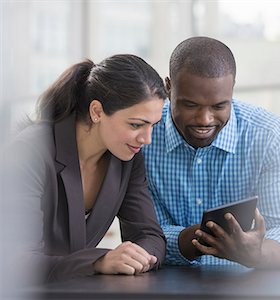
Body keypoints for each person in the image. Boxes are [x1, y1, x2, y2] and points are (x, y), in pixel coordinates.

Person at [1, 54, 167, 283]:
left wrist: (138, 257)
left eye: (152, 125)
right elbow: (15, 262)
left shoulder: (127, 157)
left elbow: (150, 236)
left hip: (72, 289)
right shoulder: (29, 153)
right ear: (97, 111)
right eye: (136, 125)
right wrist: (98, 261)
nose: (146, 139)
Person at [142, 37, 280, 269]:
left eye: (219, 106)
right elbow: (142, 235)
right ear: (168, 87)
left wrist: (257, 253)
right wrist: (201, 239)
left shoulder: (269, 135)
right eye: (190, 105)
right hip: (162, 285)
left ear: (232, 88)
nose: (204, 120)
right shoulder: (143, 135)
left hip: (246, 287)